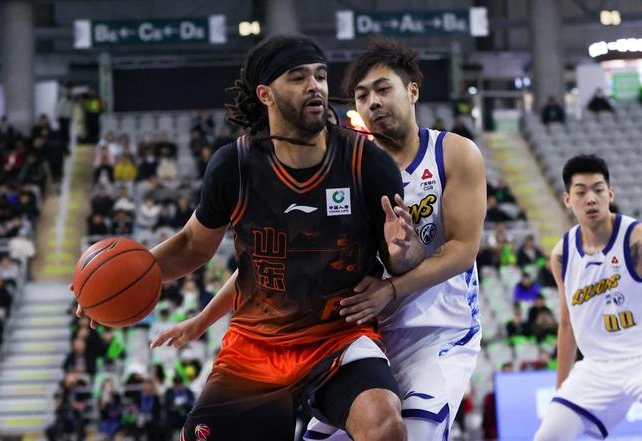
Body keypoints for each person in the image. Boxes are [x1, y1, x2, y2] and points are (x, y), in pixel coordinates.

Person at [154, 37, 486, 441]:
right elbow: (265, 262)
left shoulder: (422, 157)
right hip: (347, 323)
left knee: (404, 429)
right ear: (266, 94)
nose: (373, 102)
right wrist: (202, 318)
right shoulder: (250, 164)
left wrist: (398, 267)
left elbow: (459, 251)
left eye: (383, 89)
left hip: (415, 329)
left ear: (413, 91)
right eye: (363, 95)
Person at [94, 34, 419, 441]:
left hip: (338, 337)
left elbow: (402, 264)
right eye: (298, 77)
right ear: (265, 94)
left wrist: (404, 250)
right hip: (257, 345)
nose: (315, 86)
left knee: (386, 426)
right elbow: (192, 245)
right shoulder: (235, 166)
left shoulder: (366, 162)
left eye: (320, 76)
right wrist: (114, 282)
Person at [534, 154, 642, 441]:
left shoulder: (636, 240)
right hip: (596, 368)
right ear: (568, 200)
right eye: (581, 192)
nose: (591, 199)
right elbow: (567, 324)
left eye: (598, 190)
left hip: (639, 358)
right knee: (548, 436)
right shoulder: (562, 255)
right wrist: (561, 389)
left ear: (610, 194)